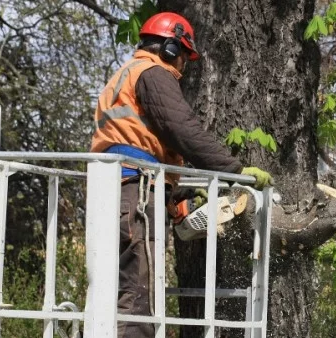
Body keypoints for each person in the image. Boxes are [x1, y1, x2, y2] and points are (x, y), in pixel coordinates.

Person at [90, 12, 273, 338]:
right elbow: (182, 130)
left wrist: (177, 192)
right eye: (184, 57)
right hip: (137, 186)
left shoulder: (127, 74)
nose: (183, 68)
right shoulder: (153, 73)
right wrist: (235, 171)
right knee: (138, 293)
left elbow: (141, 139)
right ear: (170, 48)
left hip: (118, 185)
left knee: (114, 288)